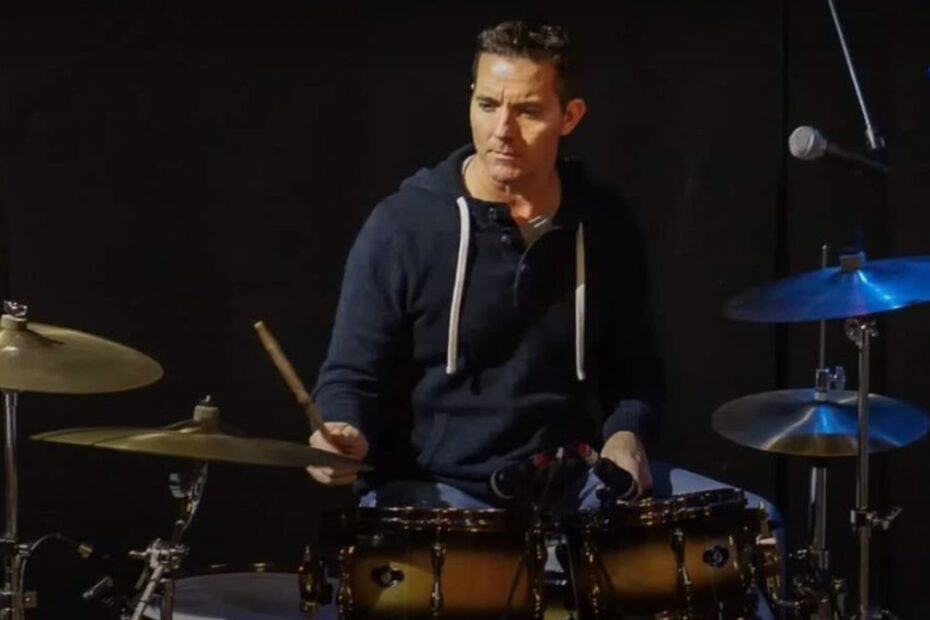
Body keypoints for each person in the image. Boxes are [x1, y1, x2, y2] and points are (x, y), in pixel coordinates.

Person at [306, 18, 780, 616]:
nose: (501, 130)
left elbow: (635, 370)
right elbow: (350, 375)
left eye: (527, 111)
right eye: (487, 105)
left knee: (754, 528)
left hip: (573, 488)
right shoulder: (403, 226)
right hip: (436, 490)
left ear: (569, 116)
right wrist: (341, 430)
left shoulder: (603, 224)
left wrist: (626, 433)